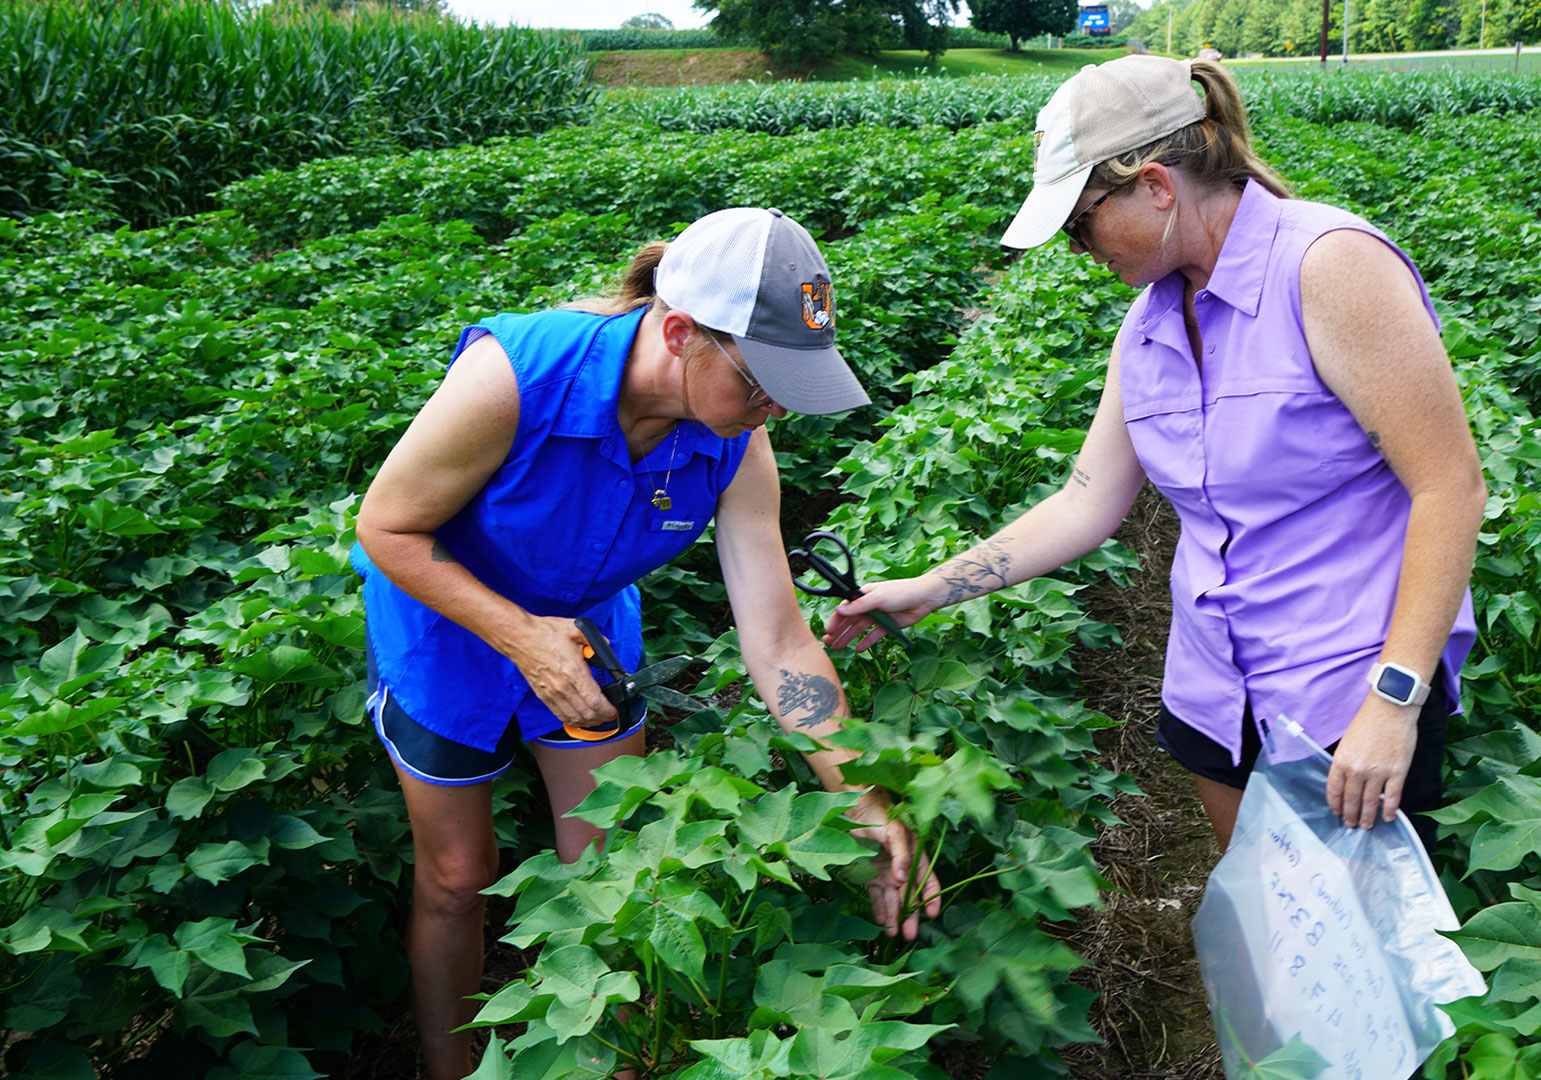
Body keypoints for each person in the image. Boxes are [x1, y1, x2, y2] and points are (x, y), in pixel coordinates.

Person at [824, 56, 1484, 856]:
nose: (1076, 248)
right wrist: (931, 589)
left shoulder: (1329, 265)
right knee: (1271, 928)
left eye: (1081, 220)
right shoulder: (1148, 323)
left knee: (1367, 956)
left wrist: (1395, 698)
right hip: (1216, 689)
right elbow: (1087, 501)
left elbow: (1448, 485)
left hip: (1345, 692)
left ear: (1157, 186)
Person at [352, 207, 942, 1080]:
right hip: (447, 626)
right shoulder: (515, 377)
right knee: (457, 875)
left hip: (586, 633)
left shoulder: (737, 442)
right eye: (762, 381)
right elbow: (388, 526)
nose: (773, 405)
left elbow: (779, 639)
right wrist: (520, 638)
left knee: (608, 871)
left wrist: (858, 795)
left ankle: (604, 1057)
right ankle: (453, 1065)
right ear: (680, 333)